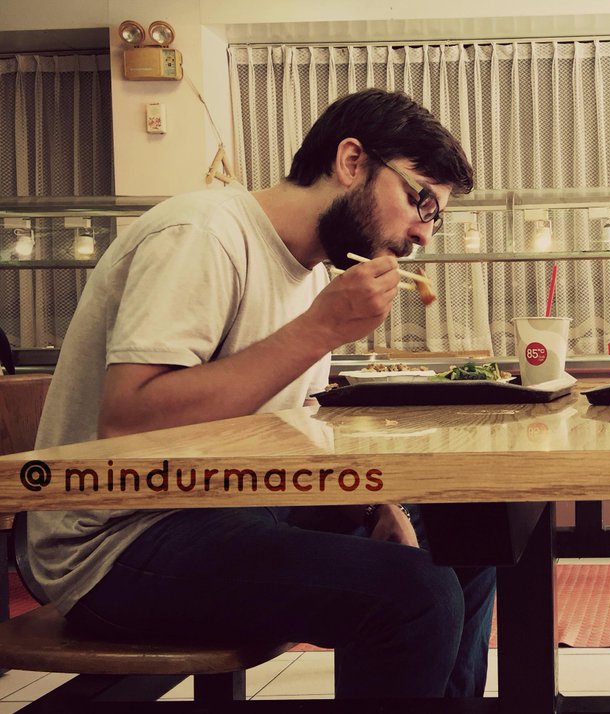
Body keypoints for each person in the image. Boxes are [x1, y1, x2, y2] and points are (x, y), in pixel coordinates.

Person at [27, 88, 495, 699]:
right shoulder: (204, 233)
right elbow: (129, 421)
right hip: (114, 541)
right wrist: (321, 329)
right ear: (352, 161)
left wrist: (377, 506)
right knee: (417, 596)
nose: (424, 234)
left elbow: (289, 432)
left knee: (471, 540)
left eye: (435, 216)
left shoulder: (309, 275)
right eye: (420, 200)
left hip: (227, 507)